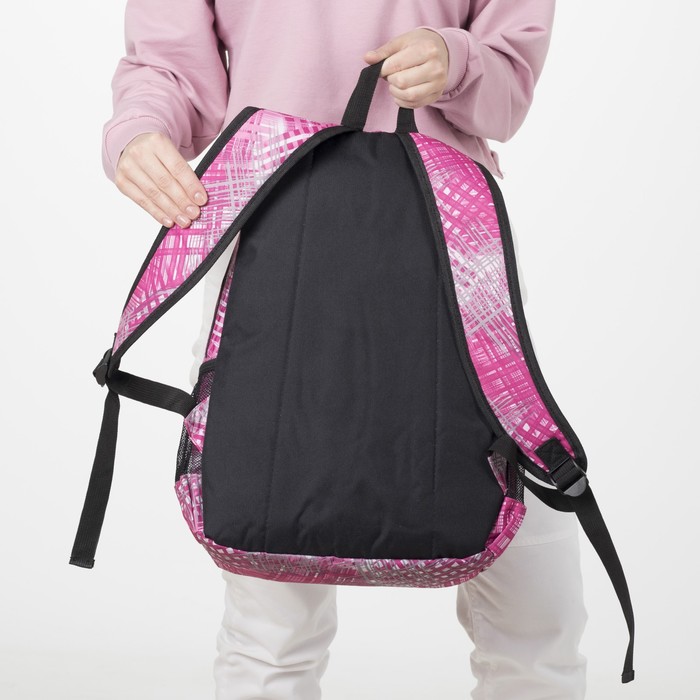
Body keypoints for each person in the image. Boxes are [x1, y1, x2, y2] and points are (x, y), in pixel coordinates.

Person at [102, 2, 588, 698]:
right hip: (270, 256)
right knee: (271, 627)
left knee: (538, 615)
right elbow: (170, 72)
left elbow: (507, 89)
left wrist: (456, 59)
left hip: (454, 254)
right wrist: (139, 130)